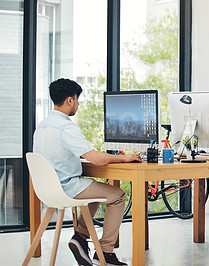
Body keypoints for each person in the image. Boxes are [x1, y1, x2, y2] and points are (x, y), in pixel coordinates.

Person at [33, 78, 142, 266]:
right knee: (117, 195)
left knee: (93, 188)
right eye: (77, 100)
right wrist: (124, 158)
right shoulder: (66, 126)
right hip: (68, 188)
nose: (78, 104)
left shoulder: (41, 126)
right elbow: (97, 159)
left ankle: (81, 237)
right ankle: (106, 253)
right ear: (70, 100)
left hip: (47, 190)